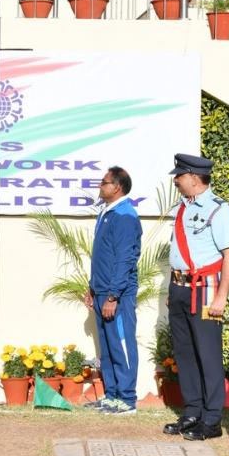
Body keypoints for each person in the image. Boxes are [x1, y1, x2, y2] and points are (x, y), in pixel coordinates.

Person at [163, 153, 229, 441]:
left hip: (206, 290)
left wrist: (222, 296)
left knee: (208, 354)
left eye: (179, 176)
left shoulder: (219, 210)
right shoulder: (182, 208)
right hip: (179, 287)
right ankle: (192, 412)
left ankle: (212, 419)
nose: (176, 181)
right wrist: (173, 290)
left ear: (194, 177)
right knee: (184, 353)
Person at [83, 166, 142, 414]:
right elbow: (103, 256)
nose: (100, 186)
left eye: (104, 182)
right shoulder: (106, 213)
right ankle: (112, 396)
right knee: (107, 347)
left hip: (117, 295)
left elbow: (125, 260)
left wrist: (113, 296)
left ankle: (127, 399)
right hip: (102, 291)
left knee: (121, 344)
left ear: (117, 187)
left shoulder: (125, 215)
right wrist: (92, 288)